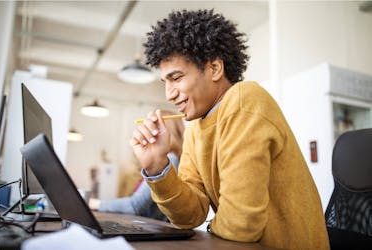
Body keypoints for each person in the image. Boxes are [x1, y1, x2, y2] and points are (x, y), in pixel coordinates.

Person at [129, 9, 330, 249]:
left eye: (177, 78)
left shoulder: (244, 101)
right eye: (166, 82)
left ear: (214, 68)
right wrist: (157, 165)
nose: (169, 94)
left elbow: (241, 225)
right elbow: (190, 216)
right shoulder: (195, 127)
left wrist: (211, 228)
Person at [89, 110, 185, 221]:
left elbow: (135, 206)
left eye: (153, 126)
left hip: (152, 230)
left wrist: (94, 203)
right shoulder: (164, 158)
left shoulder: (170, 159)